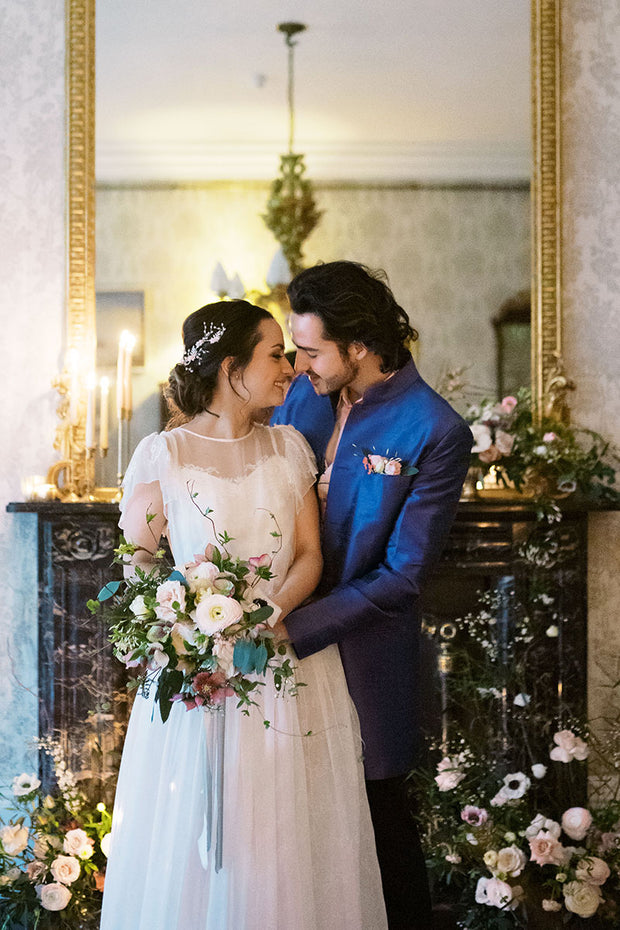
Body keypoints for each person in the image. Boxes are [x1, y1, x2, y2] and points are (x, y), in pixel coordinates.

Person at [100, 300, 388, 930]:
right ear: (232, 367)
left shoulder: (290, 448)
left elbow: (310, 555)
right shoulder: (163, 454)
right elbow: (138, 560)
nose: (289, 367)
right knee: (201, 832)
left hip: (286, 663)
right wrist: (185, 622)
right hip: (197, 670)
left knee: (286, 827)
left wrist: (270, 612)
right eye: (276, 353)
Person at [271, 261, 473, 930]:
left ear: (358, 345)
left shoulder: (435, 429)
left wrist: (295, 630)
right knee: (287, 820)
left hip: (362, 651)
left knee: (380, 822)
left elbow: (404, 573)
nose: (299, 365)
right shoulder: (303, 396)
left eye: (310, 349)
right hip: (276, 645)